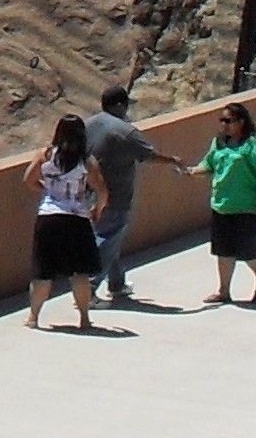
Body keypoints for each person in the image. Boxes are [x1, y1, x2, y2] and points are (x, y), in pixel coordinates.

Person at [83, 85, 195, 305]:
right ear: (118, 105)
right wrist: (173, 160)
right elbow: (149, 155)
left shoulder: (88, 125)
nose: (126, 111)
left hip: (89, 193)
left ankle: (116, 285)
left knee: (112, 239)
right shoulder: (125, 131)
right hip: (115, 197)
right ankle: (88, 289)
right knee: (107, 239)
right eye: (124, 106)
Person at [25, 114, 105, 330]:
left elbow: (29, 179)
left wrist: (48, 190)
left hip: (48, 216)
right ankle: (85, 319)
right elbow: (102, 190)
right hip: (76, 218)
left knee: (43, 272)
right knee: (79, 272)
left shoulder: (45, 155)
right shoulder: (86, 161)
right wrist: (97, 208)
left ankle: (33, 317)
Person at [206, 104, 256, 305]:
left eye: (228, 121)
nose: (223, 125)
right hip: (221, 204)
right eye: (221, 120)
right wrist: (192, 171)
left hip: (246, 206)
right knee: (223, 250)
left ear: (241, 122)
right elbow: (209, 163)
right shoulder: (219, 143)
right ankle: (223, 291)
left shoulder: (254, 144)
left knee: (248, 249)